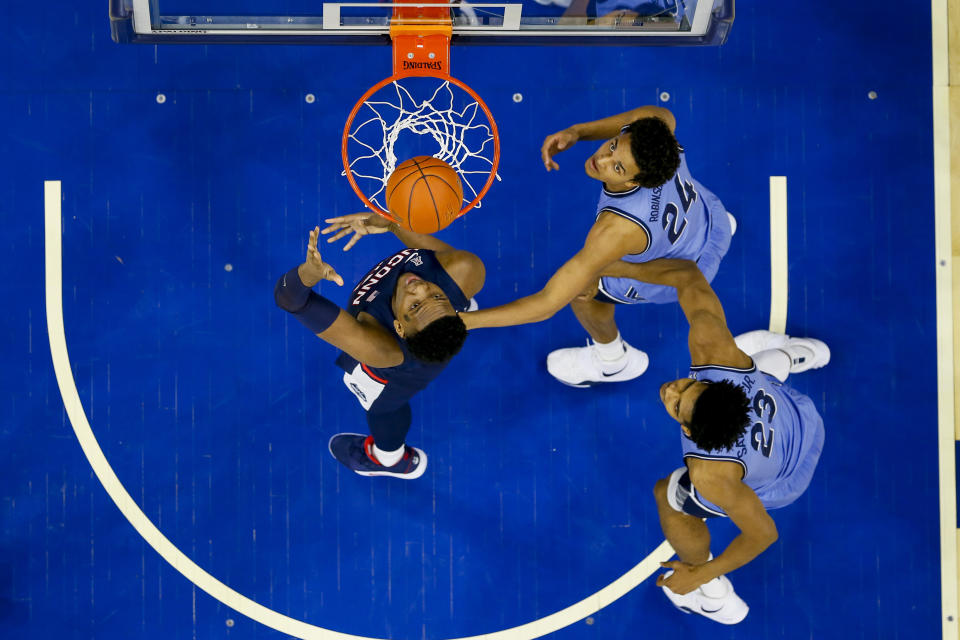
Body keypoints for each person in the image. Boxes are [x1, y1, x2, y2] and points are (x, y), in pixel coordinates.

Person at [605, 257, 828, 624]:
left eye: (677, 406)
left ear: (690, 432)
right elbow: (688, 276)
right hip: (802, 419)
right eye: (688, 385)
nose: (671, 390)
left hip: (786, 479)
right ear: (714, 382)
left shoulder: (711, 473)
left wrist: (701, 573)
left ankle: (712, 597)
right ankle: (801, 352)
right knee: (751, 364)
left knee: (669, 494)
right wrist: (612, 267)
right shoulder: (720, 357)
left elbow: (762, 533)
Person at [459, 105, 734, 388]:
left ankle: (613, 361)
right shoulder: (656, 132)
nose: (601, 158)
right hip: (713, 222)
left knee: (583, 289)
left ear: (634, 181)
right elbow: (653, 117)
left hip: (683, 275)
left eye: (617, 167)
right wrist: (578, 132)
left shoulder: (616, 230)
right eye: (613, 146)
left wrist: (465, 322)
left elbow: (547, 303)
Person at [274, 214, 484, 479]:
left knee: (384, 408)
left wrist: (306, 275)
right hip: (441, 333)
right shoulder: (466, 268)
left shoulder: (377, 347)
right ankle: (445, 318)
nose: (419, 288)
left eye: (415, 306)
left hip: (399, 371)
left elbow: (289, 299)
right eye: (435, 295)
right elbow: (435, 256)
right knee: (453, 281)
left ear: (399, 327)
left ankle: (390, 459)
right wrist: (393, 223)